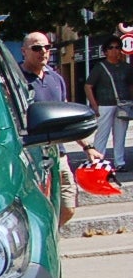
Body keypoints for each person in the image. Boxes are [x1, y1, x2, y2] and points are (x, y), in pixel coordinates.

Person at [21, 30, 102, 227]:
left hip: (58, 153)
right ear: (24, 51)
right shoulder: (15, 80)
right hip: (31, 154)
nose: (43, 52)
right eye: (37, 48)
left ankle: (51, 239)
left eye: (47, 47)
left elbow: (66, 116)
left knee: (67, 206)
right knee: (36, 207)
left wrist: (87, 147)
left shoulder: (55, 79)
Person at [86, 35, 130, 170]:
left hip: (123, 105)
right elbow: (88, 86)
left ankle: (119, 163)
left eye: (117, 47)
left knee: (120, 135)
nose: (115, 50)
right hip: (105, 105)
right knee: (102, 134)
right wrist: (94, 105)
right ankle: (98, 163)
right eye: (111, 48)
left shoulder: (126, 67)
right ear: (105, 51)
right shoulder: (100, 67)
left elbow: (130, 85)